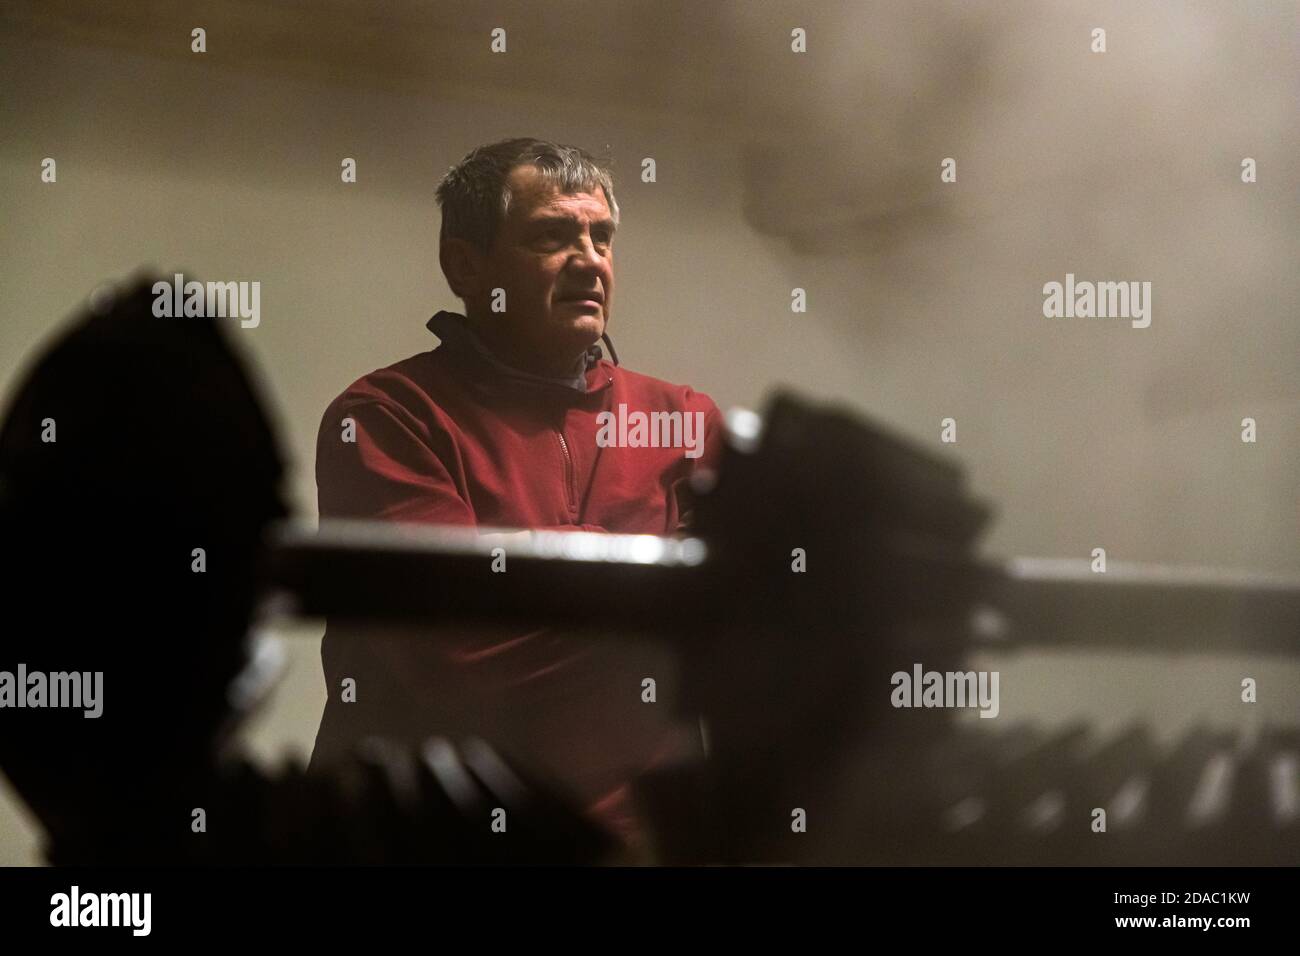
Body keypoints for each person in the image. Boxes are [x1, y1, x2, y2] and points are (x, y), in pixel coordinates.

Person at [309, 138, 726, 853]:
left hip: (632, 850)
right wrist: (680, 599)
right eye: (551, 236)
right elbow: (461, 659)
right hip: (433, 848)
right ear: (465, 266)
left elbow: (752, 643)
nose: (590, 259)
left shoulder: (684, 420)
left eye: (602, 237)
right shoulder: (387, 416)